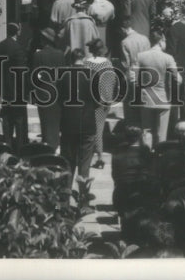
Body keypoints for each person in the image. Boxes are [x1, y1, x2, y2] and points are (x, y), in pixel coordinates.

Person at [57, 48, 99, 186]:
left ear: (71, 59)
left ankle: (65, 199)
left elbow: (58, 99)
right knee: (85, 164)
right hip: (87, 123)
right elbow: (98, 102)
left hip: (68, 124)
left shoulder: (63, 75)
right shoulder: (92, 75)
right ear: (84, 59)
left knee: (67, 163)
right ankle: (83, 200)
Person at [136, 27, 182, 148]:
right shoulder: (168, 58)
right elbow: (178, 79)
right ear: (161, 40)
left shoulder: (140, 56)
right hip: (163, 98)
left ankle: (146, 155)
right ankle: (160, 155)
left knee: (147, 130)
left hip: (146, 98)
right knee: (162, 133)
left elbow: (132, 77)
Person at [30, 26, 67, 151]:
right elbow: (63, 76)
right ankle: (54, 145)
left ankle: (47, 145)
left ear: (44, 40)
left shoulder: (38, 55)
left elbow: (34, 77)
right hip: (57, 93)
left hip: (43, 93)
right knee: (56, 121)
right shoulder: (60, 55)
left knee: (45, 121)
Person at [0, 23, 29, 152]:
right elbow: (21, 71)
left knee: (7, 119)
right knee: (19, 120)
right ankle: (19, 149)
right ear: (17, 32)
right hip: (16, 89)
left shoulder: (0, 46)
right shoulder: (17, 48)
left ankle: (7, 146)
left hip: (4, 87)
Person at [85, 37, 119, 169]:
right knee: (99, 127)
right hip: (104, 99)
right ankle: (98, 155)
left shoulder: (87, 63)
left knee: (93, 129)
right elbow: (112, 82)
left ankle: (97, 155)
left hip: (91, 100)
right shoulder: (108, 63)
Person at [165, 4, 185, 122]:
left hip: (178, 70)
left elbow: (171, 52)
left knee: (175, 100)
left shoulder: (173, 30)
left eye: (165, 17)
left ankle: (173, 129)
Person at [120, 21, 151, 126]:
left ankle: (132, 125)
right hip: (145, 71)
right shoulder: (145, 38)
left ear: (124, 29)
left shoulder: (125, 42)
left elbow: (126, 62)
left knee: (130, 101)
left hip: (133, 71)